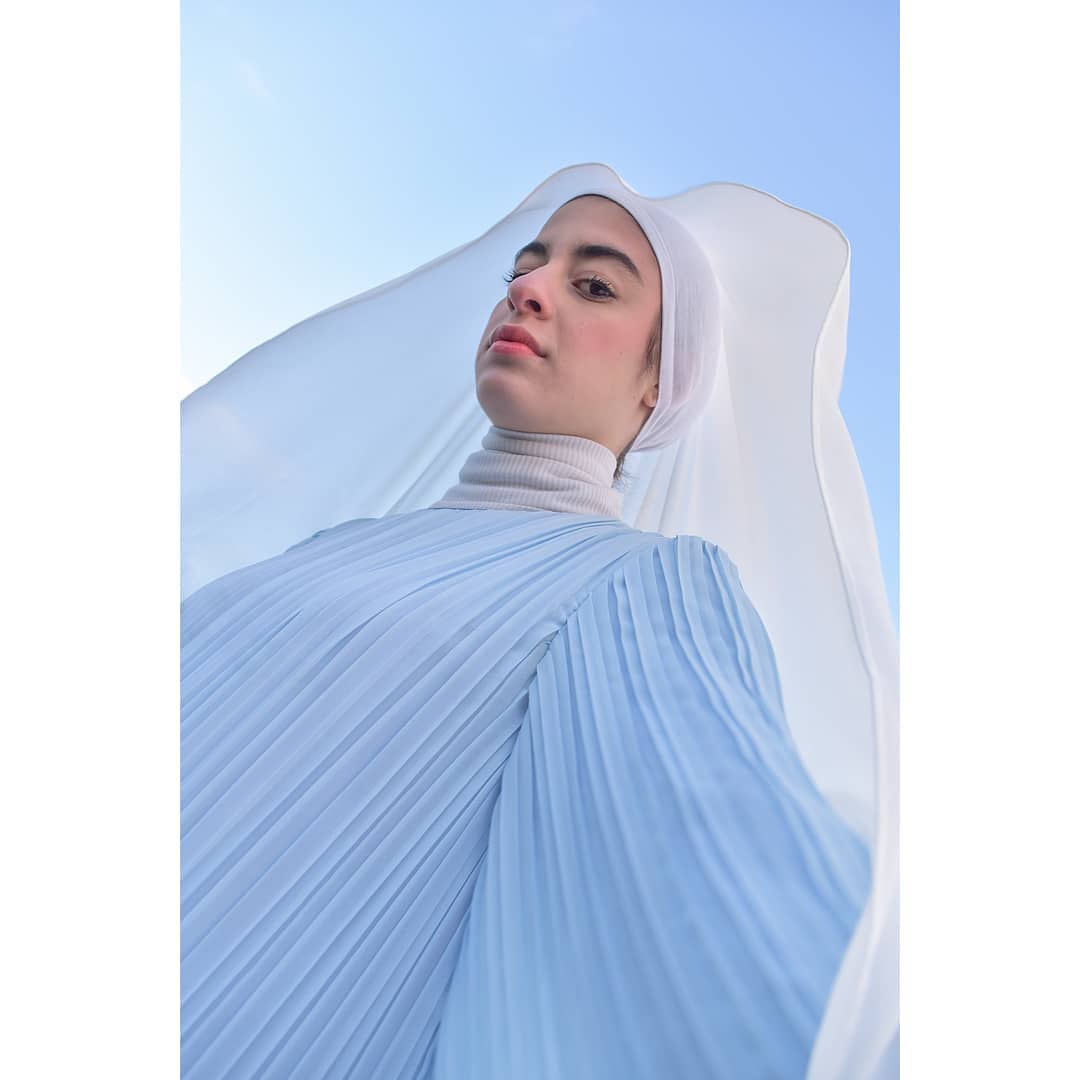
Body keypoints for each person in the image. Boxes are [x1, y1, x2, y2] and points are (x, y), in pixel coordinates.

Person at [181, 165, 898, 1078]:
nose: (527, 289)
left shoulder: (638, 587)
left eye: (592, 284)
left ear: (660, 379)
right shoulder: (338, 544)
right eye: (527, 267)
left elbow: (708, 894)